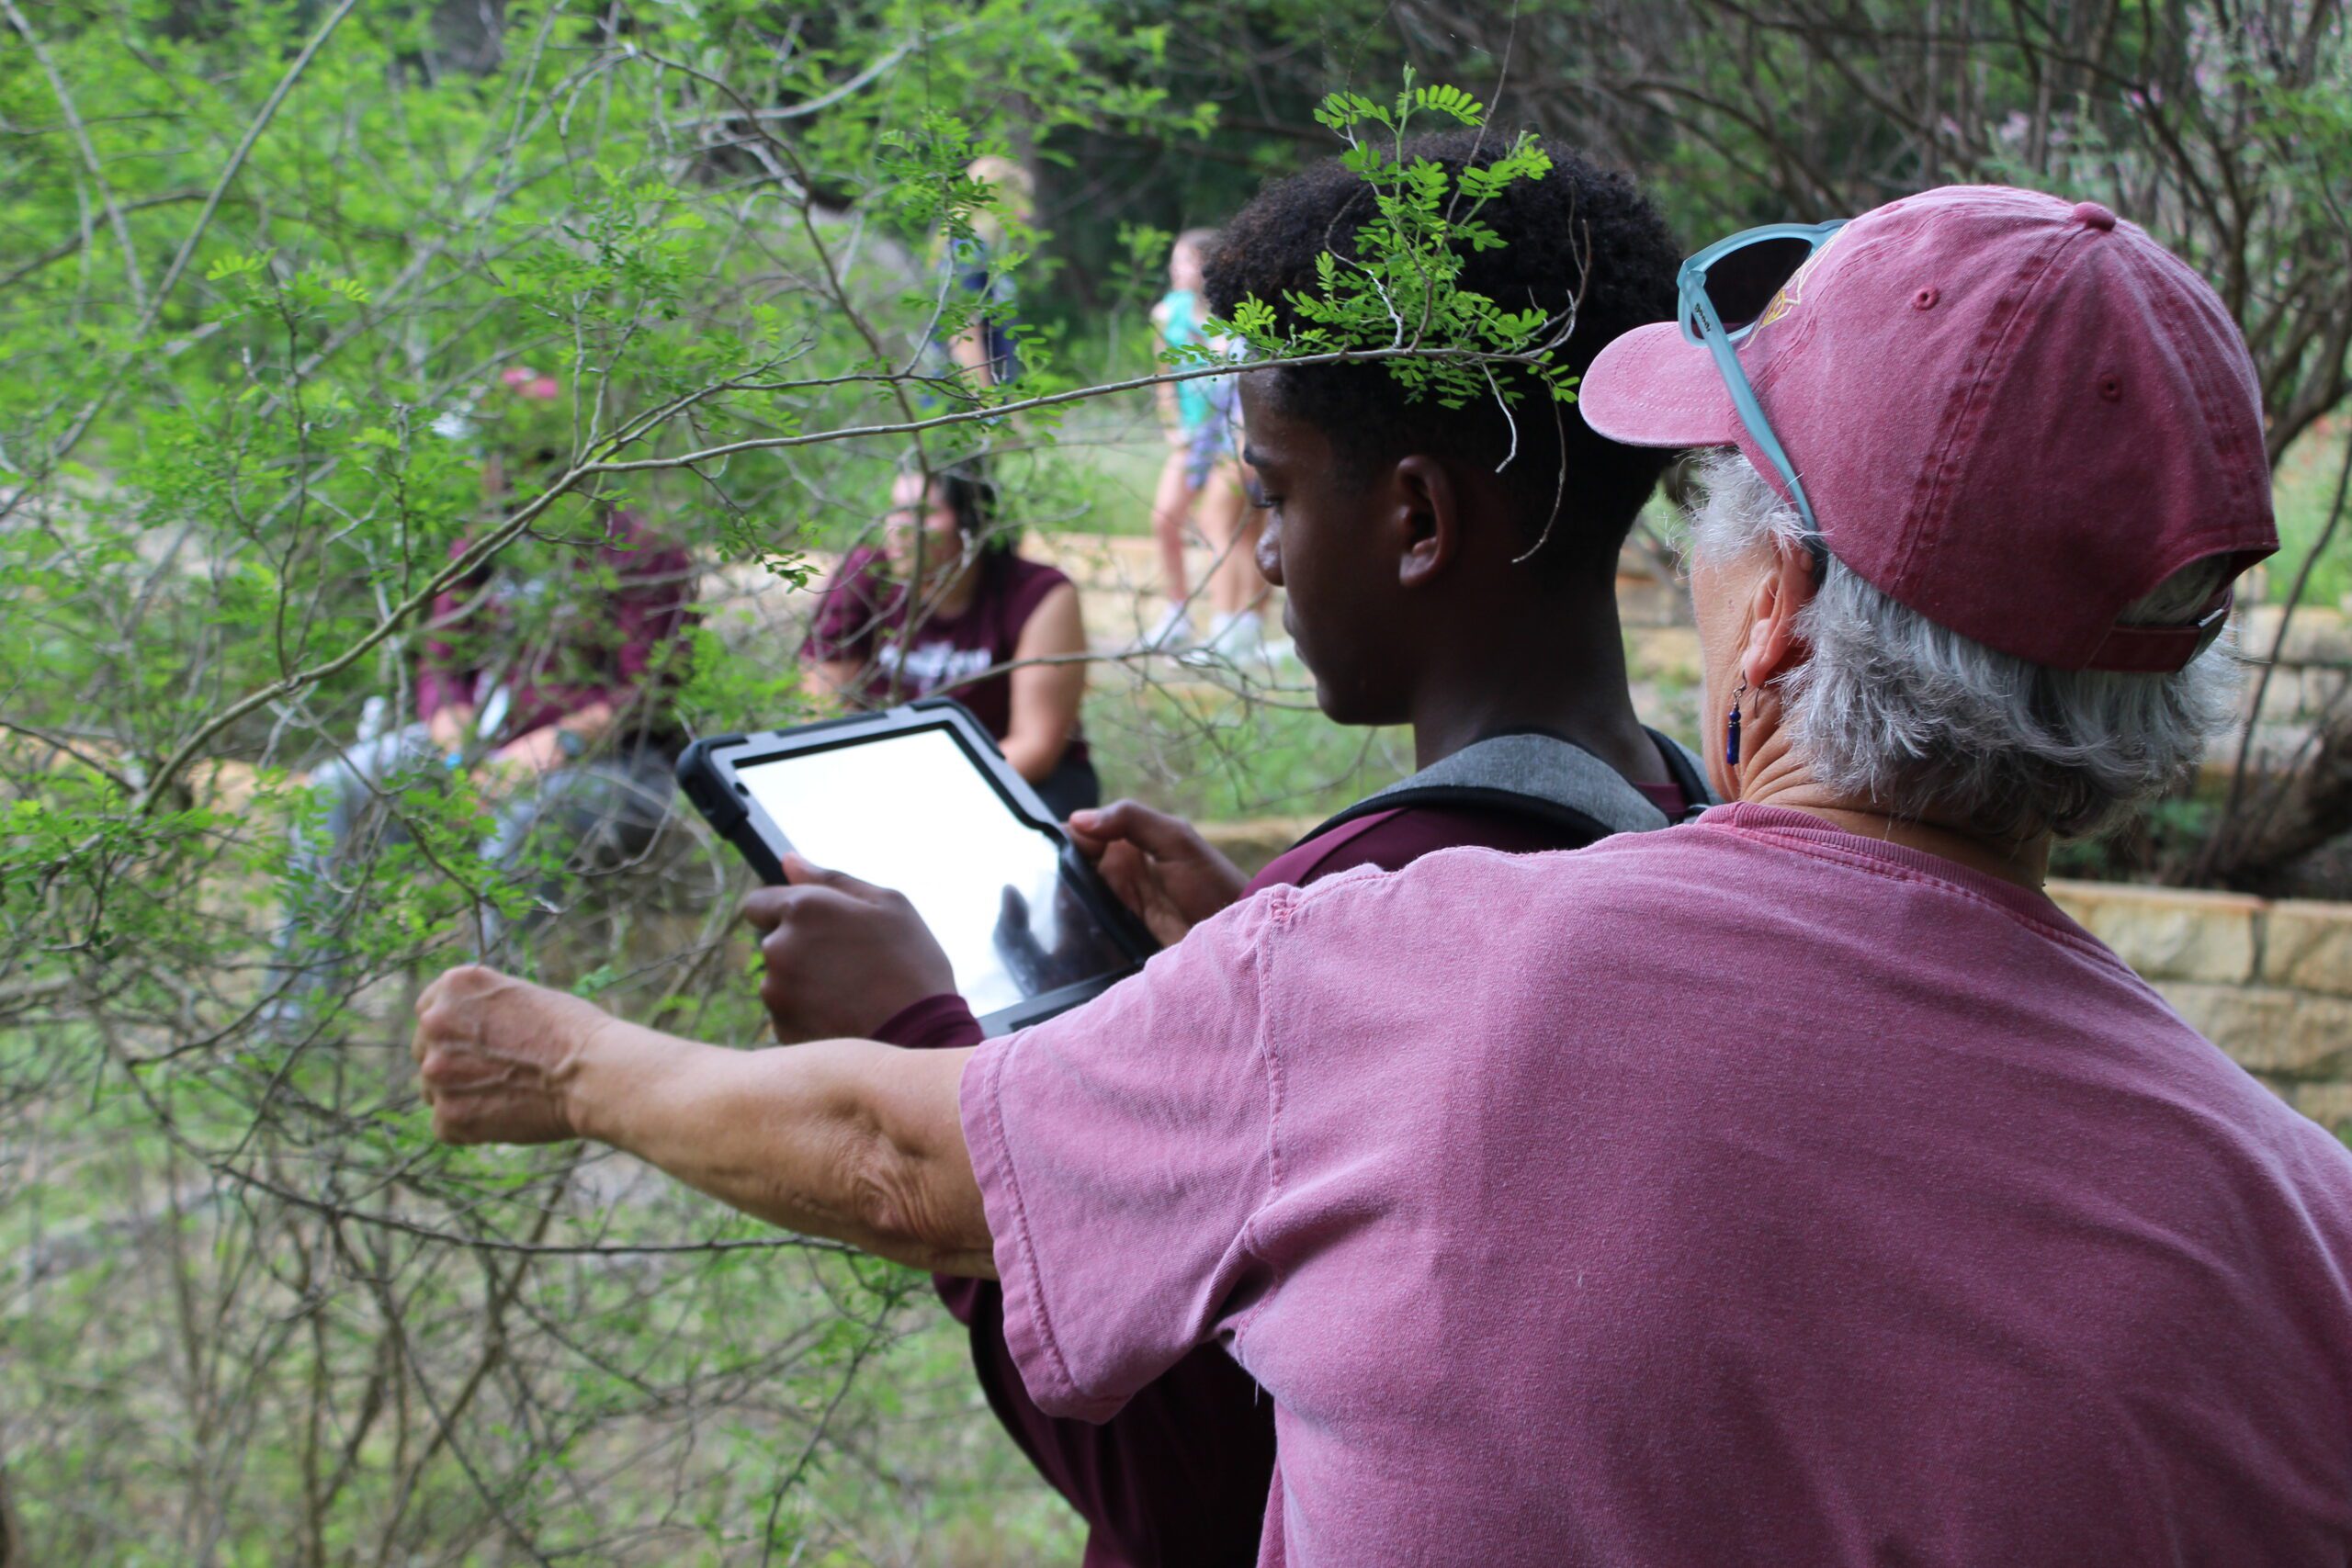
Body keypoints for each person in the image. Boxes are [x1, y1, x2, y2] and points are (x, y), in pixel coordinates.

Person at [414, 186, 2352, 1563]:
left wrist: (567, 1063)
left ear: (1780, 620)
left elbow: (892, 1154)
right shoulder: (2301, 1224)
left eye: (1717, 509)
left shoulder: (1420, 961)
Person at [424, 131, 1705, 1564]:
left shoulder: (1357, 929)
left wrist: (910, 1034)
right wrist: (1243, 949)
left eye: (1274, 491)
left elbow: (1188, 1486)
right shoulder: (1693, 823)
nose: (1265, 555)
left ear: (1414, 516)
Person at [806, 458, 1097, 818]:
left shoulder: (1038, 594)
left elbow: (1035, 748)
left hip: (1010, 779)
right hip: (883, 781)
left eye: (922, 514)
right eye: (895, 511)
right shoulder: (861, 580)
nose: (899, 529)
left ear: (972, 523)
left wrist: (928, 803)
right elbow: (824, 720)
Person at [1136, 228, 1263, 660]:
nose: (1175, 269)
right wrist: (1172, 426)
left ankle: (1233, 632)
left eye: (1185, 260)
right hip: (1194, 436)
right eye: (1173, 259)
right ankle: (1180, 614)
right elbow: (1164, 379)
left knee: (1225, 530)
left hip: (1234, 435)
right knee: (1166, 518)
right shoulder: (1166, 315)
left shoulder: (1239, 316)